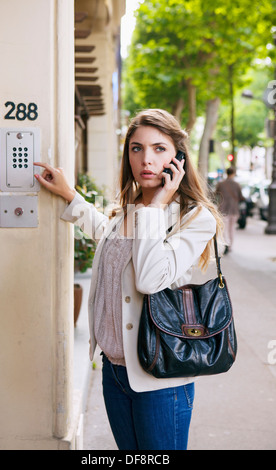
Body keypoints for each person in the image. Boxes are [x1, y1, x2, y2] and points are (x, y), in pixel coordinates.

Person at [34, 109, 223, 451]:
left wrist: (157, 205)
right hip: (115, 372)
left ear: (178, 157)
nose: (146, 159)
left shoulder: (194, 218)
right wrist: (70, 196)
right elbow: (112, 241)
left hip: (160, 378)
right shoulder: (128, 209)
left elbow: (150, 278)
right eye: (136, 149)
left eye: (158, 149)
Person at [215, 167, 244, 254]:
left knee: (225, 228)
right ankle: (230, 245)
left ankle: (226, 243)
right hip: (234, 210)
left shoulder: (221, 184)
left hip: (223, 209)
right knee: (232, 228)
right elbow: (241, 197)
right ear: (234, 173)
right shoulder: (237, 185)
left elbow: (216, 194)